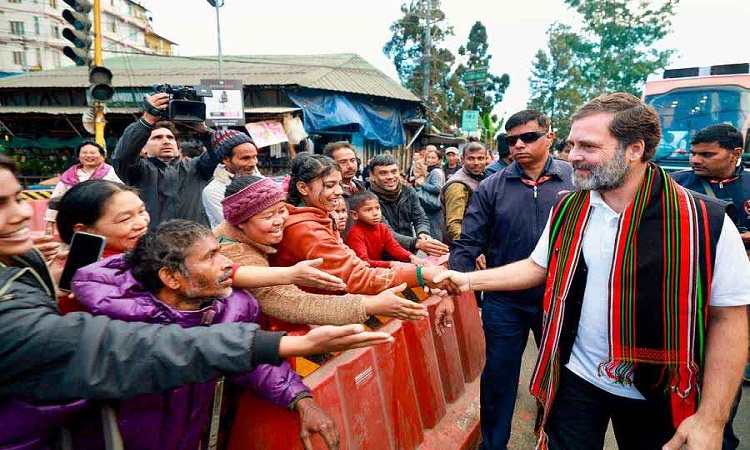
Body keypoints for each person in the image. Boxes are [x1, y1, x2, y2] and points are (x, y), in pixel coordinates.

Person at [0, 154, 394, 450]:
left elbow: (238, 354)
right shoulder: (96, 308)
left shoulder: (213, 296)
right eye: (125, 220)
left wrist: (299, 397)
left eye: (142, 214)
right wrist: (293, 334)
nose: (20, 214)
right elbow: (164, 347)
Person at [433, 93, 750, 450]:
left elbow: (730, 319)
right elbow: (538, 266)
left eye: (588, 146)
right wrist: (466, 280)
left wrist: (711, 419)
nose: (572, 156)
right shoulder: (570, 208)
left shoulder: (705, 222)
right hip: (575, 381)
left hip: (659, 390)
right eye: (571, 145)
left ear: (634, 149)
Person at [69, 220, 338, 449]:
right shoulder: (114, 323)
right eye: (210, 257)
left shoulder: (231, 309)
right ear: (172, 278)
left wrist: (300, 399)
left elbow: (246, 359)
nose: (226, 264)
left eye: (220, 252)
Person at [449, 110, 572, 449]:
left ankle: (549, 437)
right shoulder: (492, 186)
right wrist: (453, 292)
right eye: (511, 139)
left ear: (549, 137)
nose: (518, 145)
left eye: (528, 137)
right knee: (499, 378)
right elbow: (468, 242)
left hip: (562, 299)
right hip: (505, 302)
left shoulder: (576, 181)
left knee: (562, 378)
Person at [215, 176, 428, 325]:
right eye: (268, 217)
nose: (279, 220)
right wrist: (369, 305)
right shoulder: (235, 251)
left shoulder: (301, 224)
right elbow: (288, 301)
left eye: (281, 211)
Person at [272, 153, 455, 298]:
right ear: (303, 188)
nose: (338, 192)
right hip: (315, 315)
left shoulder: (319, 217)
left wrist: (413, 258)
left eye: (338, 184)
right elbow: (355, 276)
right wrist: (420, 274)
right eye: (329, 185)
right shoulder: (307, 229)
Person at [670, 123, 750, 449]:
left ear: (735, 153)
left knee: (724, 370)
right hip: (692, 296)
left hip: (739, 300)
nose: (695, 160)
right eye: (692, 153)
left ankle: (719, 430)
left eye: (706, 154)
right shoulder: (676, 186)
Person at [112, 92, 220, 228]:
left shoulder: (196, 167)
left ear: (177, 145)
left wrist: (204, 131)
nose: (166, 141)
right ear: (143, 149)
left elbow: (220, 151)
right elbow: (122, 157)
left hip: (194, 244)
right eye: (157, 138)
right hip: (153, 244)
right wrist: (147, 120)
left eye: (170, 138)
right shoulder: (138, 171)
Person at [368, 154, 449, 256]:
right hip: (383, 257)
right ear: (372, 176)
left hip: (408, 254)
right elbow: (386, 232)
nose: (390, 177)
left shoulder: (408, 191)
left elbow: (420, 217)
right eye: (383, 173)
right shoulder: (368, 199)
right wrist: (417, 243)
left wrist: (423, 234)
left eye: (394, 172)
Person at [44, 140, 122, 229]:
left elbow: (122, 196)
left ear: (102, 156)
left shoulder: (112, 173)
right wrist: (50, 224)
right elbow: (55, 200)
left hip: (105, 221)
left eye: (93, 153)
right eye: (84, 153)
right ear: (78, 156)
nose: (88, 155)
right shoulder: (68, 176)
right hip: (75, 223)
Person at [346, 190, 426, 268]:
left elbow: (394, 247)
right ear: (354, 215)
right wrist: (390, 264)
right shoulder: (355, 234)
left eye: (377, 208)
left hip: (378, 269)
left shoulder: (382, 228)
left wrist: (411, 257)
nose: (375, 213)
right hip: (365, 274)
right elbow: (363, 262)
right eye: (368, 210)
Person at [202, 129, 261, 228]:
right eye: (245, 158)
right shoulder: (214, 191)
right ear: (226, 160)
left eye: (254, 157)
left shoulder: (260, 178)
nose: (253, 163)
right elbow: (236, 224)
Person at [442, 141, 490, 242]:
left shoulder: (480, 177)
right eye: (471, 158)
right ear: (462, 159)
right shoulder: (457, 186)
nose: (476, 163)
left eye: (480, 158)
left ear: (486, 159)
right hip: (464, 249)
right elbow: (454, 226)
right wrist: (468, 249)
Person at [324, 141, 365, 235]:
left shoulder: (363, 187)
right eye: (343, 162)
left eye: (352, 160)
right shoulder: (328, 194)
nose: (350, 166)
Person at [415, 146, 446, 240]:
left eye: (433, 158)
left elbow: (437, 188)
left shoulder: (435, 172)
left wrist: (422, 184)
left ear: (439, 160)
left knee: (435, 234)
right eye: (428, 157)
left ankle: (436, 254)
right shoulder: (433, 171)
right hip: (432, 207)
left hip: (434, 207)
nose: (430, 160)